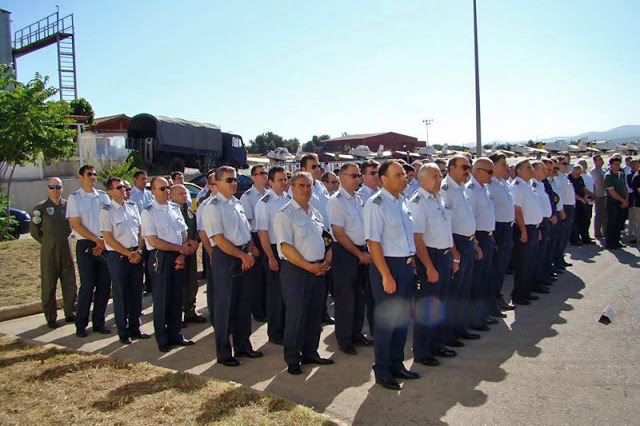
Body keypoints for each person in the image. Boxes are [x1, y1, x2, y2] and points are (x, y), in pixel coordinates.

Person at [364, 160, 420, 390]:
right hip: (387, 267)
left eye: (403, 175)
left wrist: (412, 262)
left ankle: (397, 364)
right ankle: (382, 369)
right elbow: (373, 242)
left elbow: (406, 238)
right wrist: (386, 275)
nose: (403, 178)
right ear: (383, 179)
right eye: (397, 175)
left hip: (405, 266)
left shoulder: (402, 202)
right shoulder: (375, 204)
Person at [273, 171, 334, 376]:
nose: (306, 189)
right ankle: (293, 358)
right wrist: (309, 267)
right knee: (296, 316)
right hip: (297, 271)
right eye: (301, 185)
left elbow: (326, 239)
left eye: (308, 186)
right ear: (292, 187)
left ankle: (310, 352)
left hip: (318, 270)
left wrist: (326, 260)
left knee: (315, 315)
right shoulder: (285, 214)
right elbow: (286, 248)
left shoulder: (315, 212)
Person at [201, 166, 262, 366]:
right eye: (229, 180)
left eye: (235, 179)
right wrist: (242, 256)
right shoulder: (213, 206)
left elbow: (246, 231)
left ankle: (243, 346)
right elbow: (218, 239)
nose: (234, 183)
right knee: (225, 306)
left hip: (243, 254)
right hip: (227, 257)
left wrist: (250, 249)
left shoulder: (237, 203)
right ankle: (224, 352)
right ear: (217, 183)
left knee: (243, 305)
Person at [409, 164, 459, 367]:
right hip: (430, 258)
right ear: (421, 179)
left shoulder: (440, 198)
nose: (439, 180)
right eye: (434, 176)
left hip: (445, 255)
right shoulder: (418, 202)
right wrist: (429, 267)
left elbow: (447, 229)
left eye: (439, 176)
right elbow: (417, 238)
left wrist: (454, 255)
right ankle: (422, 351)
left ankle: (437, 343)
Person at [141, 176, 195, 352]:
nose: (166, 191)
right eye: (162, 188)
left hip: (178, 255)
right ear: (153, 191)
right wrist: (178, 249)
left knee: (176, 297)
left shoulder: (174, 208)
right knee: (162, 298)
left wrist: (182, 252)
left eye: (168, 188)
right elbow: (153, 240)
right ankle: (163, 339)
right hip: (161, 256)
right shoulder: (148, 211)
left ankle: (176, 334)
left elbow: (184, 231)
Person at [327, 162, 373, 356]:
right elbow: (339, 233)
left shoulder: (360, 199)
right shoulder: (336, 201)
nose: (357, 179)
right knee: (346, 298)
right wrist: (359, 254)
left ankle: (356, 334)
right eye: (353, 176)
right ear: (341, 177)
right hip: (346, 253)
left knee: (359, 297)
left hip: (362, 251)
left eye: (358, 176)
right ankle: (344, 339)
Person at [100, 177, 149, 344]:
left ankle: (135, 327)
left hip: (136, 254)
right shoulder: (107, 211)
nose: (123, 190)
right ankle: (123, 330)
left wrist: (139, 251)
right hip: (119, 257)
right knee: (121, 295)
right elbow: (108, 238)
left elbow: (140, 230)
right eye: (119, 187)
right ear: (110, 192)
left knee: (136, 293)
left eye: (124, 187)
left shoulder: (133, 207)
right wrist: (129, 254)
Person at [440, 155, 482, 346]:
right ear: (451, 168)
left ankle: (460, 328)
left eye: (469, 166)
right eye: (464, 167)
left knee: (464, 289)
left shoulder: (462, 188)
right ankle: (448, 334)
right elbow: (446, 224)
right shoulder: (445, 190)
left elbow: (467, 219)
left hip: (467, 242)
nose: (467, 170)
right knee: (454, 292)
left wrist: (474, 242)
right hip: (455, 243)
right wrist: (454, 250)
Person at [66, 165, 112, 337]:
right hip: (86, 244)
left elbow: (110, 219)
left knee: (104, 285)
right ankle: (81, 324)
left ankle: (99, 322)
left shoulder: (103, 196)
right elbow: (76, 224)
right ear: (81, 177)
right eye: (89, 174)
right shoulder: (75, 198)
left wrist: (103, 242)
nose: (93, 177)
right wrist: (96, 240)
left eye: (94, 174)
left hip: (104, 244)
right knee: (87, 286)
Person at [30, 177, 77, 328]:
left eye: (58, 187)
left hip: (66, 248)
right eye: (52, 187)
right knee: (49, 284)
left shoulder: (68, 205)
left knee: (69, 282)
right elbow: (34, 231)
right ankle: (51, 316)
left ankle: (71, 312)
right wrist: (47, 242)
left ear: (62, 189)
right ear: (47, 189)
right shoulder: (41, 208)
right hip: (49, 250)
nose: (55, 190)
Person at [255, 166, 291, 345]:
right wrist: (270, 257)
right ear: (270, 182)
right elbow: (263, 233)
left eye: (286, 179)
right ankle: (275, 332)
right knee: (275, 294)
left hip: (289, 249)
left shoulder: (288, 198)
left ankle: (286, 328)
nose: (284, 182)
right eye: (280, 180)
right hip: (273, 249)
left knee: (287, 292)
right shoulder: (264, 202)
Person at [299, 153, 334, 324]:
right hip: (310, 238)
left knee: (324, 280)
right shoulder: (300, 189)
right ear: (303, 169)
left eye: (318, 166)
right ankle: (311, 317)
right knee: (310, 281)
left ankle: (322, 312)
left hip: (326, 236)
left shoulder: (320, 186)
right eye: (313, 167)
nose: (318, 169)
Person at [466, 158, 496, 332]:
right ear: (477, 171)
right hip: (478, 238)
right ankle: (475, 319)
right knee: (476, 280)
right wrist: (476, 242)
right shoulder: (471, 190)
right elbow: (472, 220)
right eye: (489, 172)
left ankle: (482, 315)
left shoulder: (484, 189)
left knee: (485, 278)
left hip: (487, 236)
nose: (491, 175)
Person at [510, 160, 543, 305]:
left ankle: (526, 291)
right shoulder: (517, 187)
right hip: (525, 229)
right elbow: (517, 211)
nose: (531, 170)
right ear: (519, 171)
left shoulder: (528, 185)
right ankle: (519, 294)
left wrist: (538, 228)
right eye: (528, 168)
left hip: (533, 228)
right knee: (523, 263)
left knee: (530, 262)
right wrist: (523, 231)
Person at [170, 184, 204, 324]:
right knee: (178, 285)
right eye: (180, 194)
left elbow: (195, 227)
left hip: (191, 251)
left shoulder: (189, 210)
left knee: (191, 282)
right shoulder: (170, 211)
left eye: (185, 193)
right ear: (172, 196)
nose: (184, 196)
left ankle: (190, 311)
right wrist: (186, 244)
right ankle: (176, 316)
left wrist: (195, 241)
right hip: (177, 252)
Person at [487, 152, 515, 316]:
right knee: (495, 268)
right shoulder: (490, 186)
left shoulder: (503, 184)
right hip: (497, 229)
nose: (506, 167)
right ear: (493, 166)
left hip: (507, 228)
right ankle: (492, 302)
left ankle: (498, 297)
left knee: (502, 267)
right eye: (502, 164)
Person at [240, 165, 269, 322]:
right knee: (257, 277)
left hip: (269, 236)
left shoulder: (270, 194)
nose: (264, 176)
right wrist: (254, 246)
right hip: (256, 237)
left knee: (268, 276)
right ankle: (257, 310)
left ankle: (266, 306)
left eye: (265, 173)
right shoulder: (248, 197)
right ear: (253, 177)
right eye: (260, 173)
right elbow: (248, 223)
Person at [196, 169, 218, 324]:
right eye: (215, 183)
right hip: (213, 249)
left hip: (229, 251)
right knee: (214, 285)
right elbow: (202, 233)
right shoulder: (205, 205)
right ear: (210, 186)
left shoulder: (231, 202)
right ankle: (215, 316)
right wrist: (211, 254)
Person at [530, 161, 554, 294]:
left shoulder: (540, 184)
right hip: (539, 223)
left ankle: (541, 278)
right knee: (537, 256)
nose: (546, 172)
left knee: (542, 254)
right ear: (535, 171)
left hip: (545, 221)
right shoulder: (533, 185)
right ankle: (535, 282)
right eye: (543, 169)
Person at [130, 170, 154, 295]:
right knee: (140, 260)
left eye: (146, 178)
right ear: (135, 180)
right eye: (142, 179)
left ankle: (150, 286)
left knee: (150, 260)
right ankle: (139, 288)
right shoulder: (131, 195)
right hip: (138, 233)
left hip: (149, 232)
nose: (145, 181)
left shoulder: (149, 194)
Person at [604, 156, 629, 249]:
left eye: (618, 164)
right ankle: (610, 242)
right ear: (610, 165)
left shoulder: (621, 174)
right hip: (613, 202)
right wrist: (622, 200)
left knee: (619, 222)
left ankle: (616, 241)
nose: (617, 165)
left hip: (622, 202)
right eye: (615, 164)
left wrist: (626, 200)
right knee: (612, 222)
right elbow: (612, 192)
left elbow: (625, 188)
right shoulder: (608, 176)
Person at [568, 165, 593, 245]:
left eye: (579, 174)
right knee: (575, 222)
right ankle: (575, 239)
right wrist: (580, 198)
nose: (578, 175)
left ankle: (585, 238)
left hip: (582, 202)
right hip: (574, 202)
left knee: (585, 221)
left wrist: (585, 196)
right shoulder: (569, 179)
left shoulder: (579, 178)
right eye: (577, 174)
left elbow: (583, 188)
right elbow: (571, 193)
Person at [578, 159, 596, 243]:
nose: (584, 165)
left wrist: (594, 194)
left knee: (588, 219)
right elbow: (583, 188)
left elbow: (593, 185)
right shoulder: (579, 176)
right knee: (583, 220)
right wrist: (591, 194)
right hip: (585, 199)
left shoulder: (588, 175)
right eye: (581, 164)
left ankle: (586, 234)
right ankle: (583, 236)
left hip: (591, 199)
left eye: (584, 163)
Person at [590, 155, 607, 238]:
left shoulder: (602, 170)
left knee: (605, 215)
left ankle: (605, 231)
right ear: (595, 162)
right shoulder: (594, 171)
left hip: (604, 195)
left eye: (601, 159)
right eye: (599, 159)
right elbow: (601, 182)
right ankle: (597, 233)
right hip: (599, 195)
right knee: (599, 215)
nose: (602, 160)